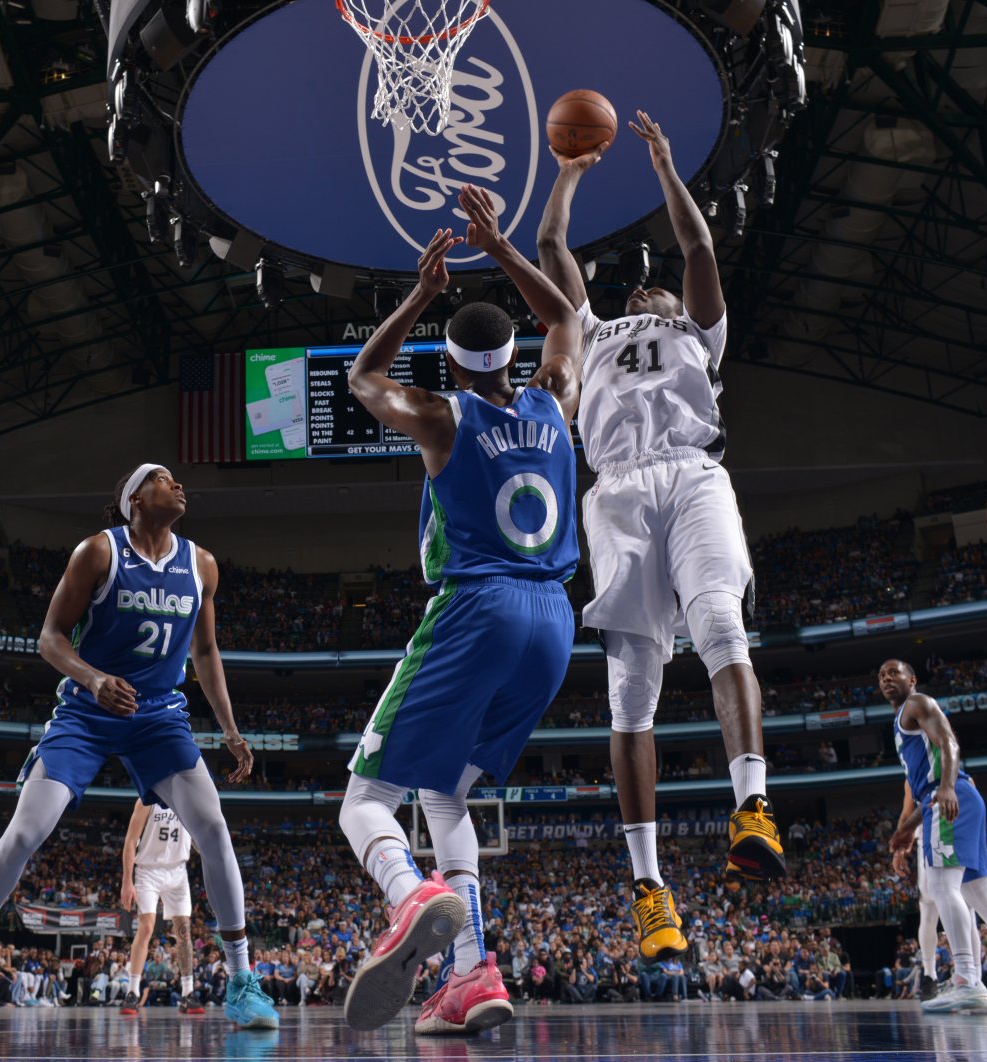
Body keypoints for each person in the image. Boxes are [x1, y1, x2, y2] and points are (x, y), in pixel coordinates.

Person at [535, 108, 782, 963]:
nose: (646, 288)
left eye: (658, 288)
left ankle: (752, 801)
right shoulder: (594, 332)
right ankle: (649, 887)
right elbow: (552, 246)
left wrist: (665, 166)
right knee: (630, 690)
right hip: (615, 492)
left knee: (720, 623)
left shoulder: (695, 330)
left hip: (691, 471)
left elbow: (700, 251)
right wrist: (572, 167)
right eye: (637, 287)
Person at [338, 185, 582, 1036]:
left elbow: (364, 377)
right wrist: (506, 247)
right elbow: (571, 321)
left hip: (479, 607)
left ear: (451, 365)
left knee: (364, 803)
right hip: (555, 622)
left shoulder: (443, 417)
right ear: (516, 357)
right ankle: (472, 977)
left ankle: (410, 900)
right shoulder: (556, 400)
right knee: (445, 800)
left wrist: (419, 293)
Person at [0, 466, 278, 1031]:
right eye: (163, 478)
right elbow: (49, 638)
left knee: (213, 827)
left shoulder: (202, 564)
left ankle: (241, 978)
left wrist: (230, 729)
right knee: (25, 830)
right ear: (134, 498)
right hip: (88, 713)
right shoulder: (98, 552)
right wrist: (91, 679)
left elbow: (206, 653)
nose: (178, 484)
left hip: (158, 716)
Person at [880, 659, 987, 1014]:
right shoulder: (901, 721)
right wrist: (907, 829)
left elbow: (949, 743)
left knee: (941, 887)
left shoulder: (918, 703)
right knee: (980, 894)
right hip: (948, 798)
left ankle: (967, 978)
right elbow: (925, 786)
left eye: (894, 672)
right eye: (881, 675)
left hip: (948, 797)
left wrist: (948, 786)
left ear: (913, 678)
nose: (887, 678)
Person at [119, 801, 203, 1016]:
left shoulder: (187, 800)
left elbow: (197, 838)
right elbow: (130, 841)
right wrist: (127, 881)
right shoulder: (147, 799)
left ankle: (187, 993)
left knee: (184, 931)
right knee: (146, 928)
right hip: (148, 870)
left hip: (177, 871)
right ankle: (133, 992)